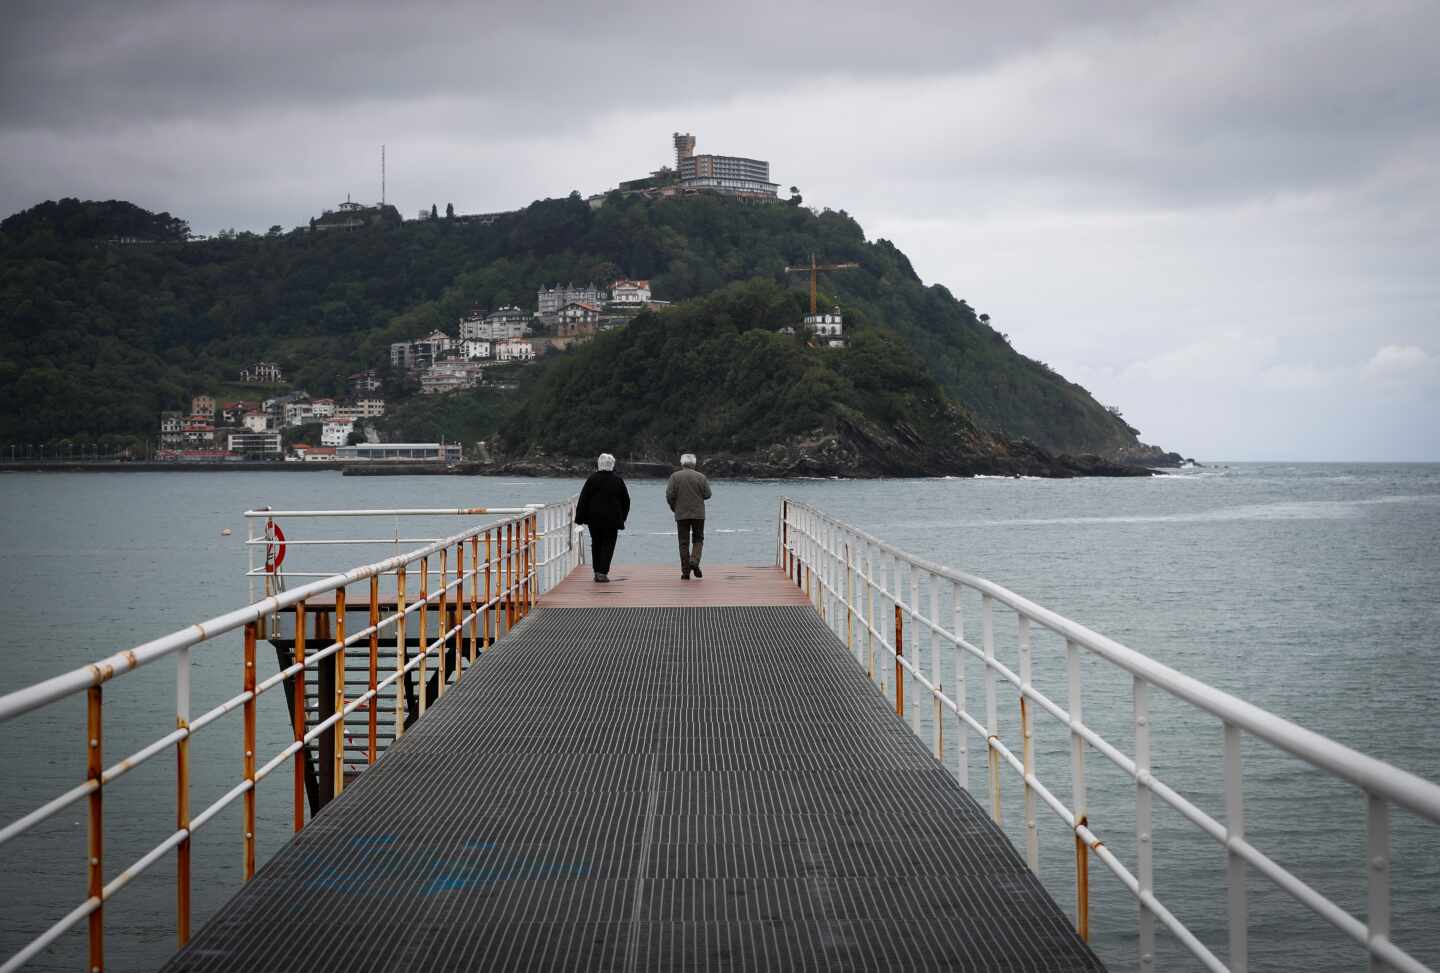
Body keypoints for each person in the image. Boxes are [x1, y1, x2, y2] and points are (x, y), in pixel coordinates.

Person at [575, 453, 629, 583]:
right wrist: (622, 517)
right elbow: (626, 501)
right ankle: (602, 572)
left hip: (594, 519)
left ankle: (596, 571)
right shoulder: (618, 480)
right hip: (612, 520)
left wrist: (579, 519)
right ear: (612, 465)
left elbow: (583, 499)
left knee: (596, 544)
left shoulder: (592, 479)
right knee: (608, 545)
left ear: (599, 464)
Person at [665, 452, 711, 580]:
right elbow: (708, 494)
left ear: (682, 463)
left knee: (683, 542)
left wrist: (674, 507)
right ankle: (694, 560)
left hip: (681, 514)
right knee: (698, 539)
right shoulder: (701, 477)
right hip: (698, 514)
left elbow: (669, 495)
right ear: (694, 463)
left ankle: (685, 572)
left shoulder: (675, 477)